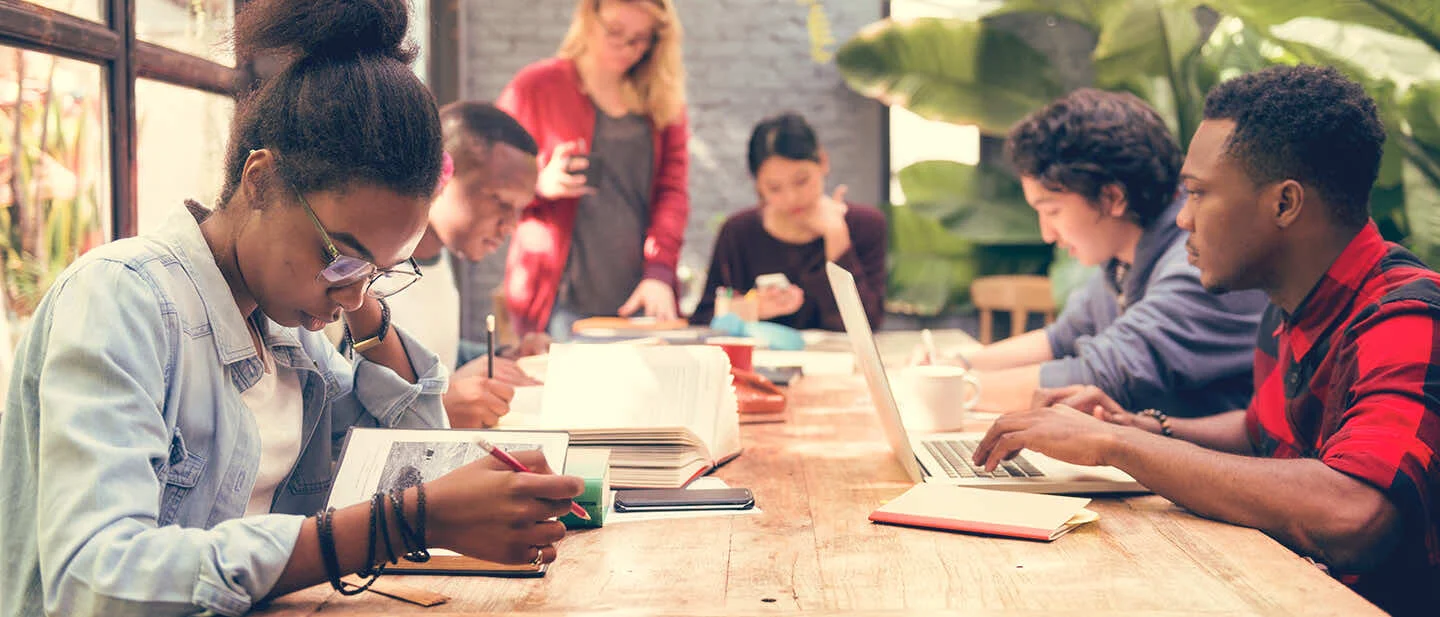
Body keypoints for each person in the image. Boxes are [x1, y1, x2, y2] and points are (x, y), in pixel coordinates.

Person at [0, 2, 583, 616]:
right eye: (340, 256)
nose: (351, 297)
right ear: (259, 179)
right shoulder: (122, 300)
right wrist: (397, 527)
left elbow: (415, 454)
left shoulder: (286, 337)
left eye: (380, 273)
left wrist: (365, 303)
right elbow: (97, 582)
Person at [971, 65, 1440, 616]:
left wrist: (1118, 448)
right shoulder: (1290, 304)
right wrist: (1141, 425)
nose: (1184, 219)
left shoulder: (1405, 316)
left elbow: (1354, 513)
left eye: (1197, 194)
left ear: (1284, 204)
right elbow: (1260, 432)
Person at [923, 89, 1268, 416]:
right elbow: (1060, 340)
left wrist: (949, 390)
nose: (1046, 233)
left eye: (1052, 211)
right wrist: (956, 365)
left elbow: (1099, 378)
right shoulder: (1124, 262)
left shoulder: (1197, 263)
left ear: (1112, 198)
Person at [497, 0, 690, 340]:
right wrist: (538, 184)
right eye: (615, 32)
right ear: (588, 16)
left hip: (638, 293)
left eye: (640, 38)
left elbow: (671, 194)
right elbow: (486, 178)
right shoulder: (536, 87)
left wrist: (660, 272)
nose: (626, 48)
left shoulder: (663, 100)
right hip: (559, 298)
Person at [386, 101, 545, 428]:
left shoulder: (440, 259)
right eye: (501, 201)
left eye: (520, 210)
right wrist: (440, 409)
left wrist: (503, 356)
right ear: (440, 175)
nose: (511, 224)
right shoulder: (370, 277)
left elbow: (434, 350)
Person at [689, 112, 887, 331]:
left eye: (801, 181)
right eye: (774, 188)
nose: (791, 198)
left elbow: (868, 326)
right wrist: (753, 308)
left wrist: (837, 239)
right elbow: (702, 320)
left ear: (823, 161)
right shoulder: (738, 232)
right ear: (758, 186)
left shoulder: (865, 225)